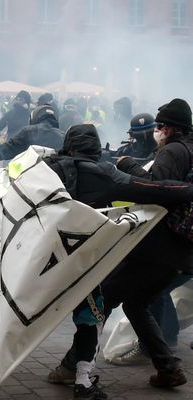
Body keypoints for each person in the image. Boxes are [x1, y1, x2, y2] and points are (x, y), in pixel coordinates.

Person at [0, 123, 193, 399]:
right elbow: (154, 189)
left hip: (31, 262)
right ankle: (83, 382)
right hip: (74, 266)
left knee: (3, 313)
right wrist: (186, 189)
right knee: (91, 316)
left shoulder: (42, 168)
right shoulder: (105, 176)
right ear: (95, 149)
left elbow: (9, 192)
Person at [49, 100, 193, 395]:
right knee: (136, 303)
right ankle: (168, 368)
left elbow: (156, 189)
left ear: (168, 127)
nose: (157, 131)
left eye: (159, 126)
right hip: (177, 251)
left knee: (100, 299)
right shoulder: (189, 149)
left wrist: (125, 166)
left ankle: (70, 367)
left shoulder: (174, 151)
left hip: (155, 248)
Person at [0, 104, 65, 165]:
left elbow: (10, 147)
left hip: (29, 177)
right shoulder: (63, 136)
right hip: (55, 180)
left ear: (34, 118)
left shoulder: (29, 131)